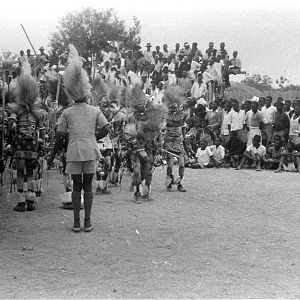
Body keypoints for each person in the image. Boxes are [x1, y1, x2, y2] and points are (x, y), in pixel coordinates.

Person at [48, 45, 109, 233]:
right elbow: (106, 128)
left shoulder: (67, 112)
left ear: (73, 93)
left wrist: (51, 155)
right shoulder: (95, 111)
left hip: (73, 151)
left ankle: (76, 223)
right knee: (88, 188)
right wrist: (93, 137)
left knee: (76, 187)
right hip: (90, 150)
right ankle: (88, 222)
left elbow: (59, 136)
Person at [7, 74, 46, 212]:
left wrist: (11, 133)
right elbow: (42, 130)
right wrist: (40, 141)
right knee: (30, 172)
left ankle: (22, 201)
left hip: (20, 145)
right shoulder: (36, 113)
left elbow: (11, 124)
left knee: (20, 172)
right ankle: (30, 200)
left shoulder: (17, 110)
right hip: (33, 146)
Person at [162, 86, 187, 192]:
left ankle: (180, 183)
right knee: (171, 163)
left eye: (175, 105)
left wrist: (186, 144)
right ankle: (169, 183)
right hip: (169, 142)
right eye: (171, 105)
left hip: (179, 142)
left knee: (182, 163)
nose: (173, 106)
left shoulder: (182, 116)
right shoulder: (166, 117)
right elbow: (162, 130)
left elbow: (184, 133)